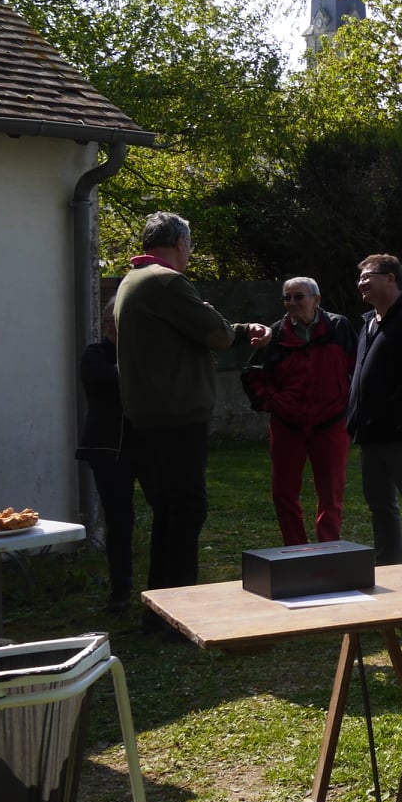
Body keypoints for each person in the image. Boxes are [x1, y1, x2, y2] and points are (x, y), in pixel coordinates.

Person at [113, 212, 267, 631]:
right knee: (185, 512)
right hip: (176, 418)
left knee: (169, 514)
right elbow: (214, 334)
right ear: (181, 242)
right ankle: (177, 617)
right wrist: (225, 322)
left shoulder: (133, 280)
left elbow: (202, 329)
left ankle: (157, 613)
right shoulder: (166, 281)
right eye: (190, 243)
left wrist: (229, 326)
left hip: (149, 418)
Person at [243, 277, 357, 546]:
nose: (291, 303)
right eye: (287, 298)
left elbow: (356, 367)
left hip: (331, 424)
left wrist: (347, 402)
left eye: (298, 297)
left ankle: (329, 548)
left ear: (316, 300)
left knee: (331, 494)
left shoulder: (338, 327)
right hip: (287, 426)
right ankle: (296, 549)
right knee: (284, 493)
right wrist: (273, 403)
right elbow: (252, 375)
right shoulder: (276, 333)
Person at [346, 254, 402, 566]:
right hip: (371, 434)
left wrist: (396, 418)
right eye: (360, 278)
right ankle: (389, 569)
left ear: (391, 278)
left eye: (367, 276)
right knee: (380, 507)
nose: (361, 283)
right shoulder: (369, 321)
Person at [76, 303, 137, 614]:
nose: (116, 327)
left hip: (144, 445)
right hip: (108, 450)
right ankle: (120, 589)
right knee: (120, 519)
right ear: (105, 326)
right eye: (112, 322)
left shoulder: (139, 355)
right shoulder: (94, 355)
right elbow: (114, 381)